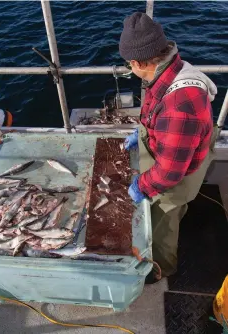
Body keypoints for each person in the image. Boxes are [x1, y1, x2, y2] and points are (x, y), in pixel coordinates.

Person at [119, 12, 217, 281]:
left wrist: (141, 186)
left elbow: (169, 173)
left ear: (139, 62)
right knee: (177, 208)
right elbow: (156, 112)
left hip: (178, 172)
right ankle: (180, 211)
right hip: (191, 153)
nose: (131, 69)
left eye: (130, 65)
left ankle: (161, 268)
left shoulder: (179, 106)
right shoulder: (172, 68)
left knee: (163, 223)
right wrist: (139, 134)